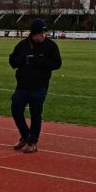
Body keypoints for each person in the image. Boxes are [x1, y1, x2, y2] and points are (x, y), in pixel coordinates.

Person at [8, 18, 62, 152]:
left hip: (39, 86)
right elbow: (12, 61)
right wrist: (24, 60)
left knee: (35, 113)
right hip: (22, 86)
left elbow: (57, 63)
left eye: (45, 32)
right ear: (33, 33)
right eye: (40, 33)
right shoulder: (22, 45)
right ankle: (25, 135)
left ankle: (33, 141)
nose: (43, 35)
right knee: (16, 109)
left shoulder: (51, 46)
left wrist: (40, 61)